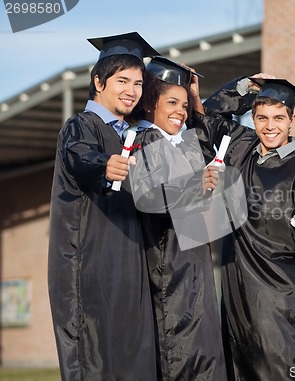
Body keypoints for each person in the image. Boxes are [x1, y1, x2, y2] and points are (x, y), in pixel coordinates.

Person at [191, 76, 295, 381]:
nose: (270, 126)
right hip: (237, 288)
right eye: (262, 118)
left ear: (293, 119)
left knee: (283, 370)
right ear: (252, 118)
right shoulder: (240, 148)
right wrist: (242, 88)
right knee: (240, 370)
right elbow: (208, 119)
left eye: (279, 118)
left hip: (278, 292)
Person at [47, 32, 158, 380]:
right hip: (91, 262)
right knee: (98, 358)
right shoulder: (81, 126)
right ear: (98, 81)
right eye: (122, 80)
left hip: (131, 262)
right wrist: (104, 165)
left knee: (135, 356)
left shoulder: (137, 135)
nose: (131, 90)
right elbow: (80, 156)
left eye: (138, 83)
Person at [127, 56, 227, 381]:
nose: (180, 112)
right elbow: (152, 199)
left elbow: (208, 149)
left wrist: (195, 98)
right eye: (172, 102)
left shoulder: (180, 144)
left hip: (193, 271)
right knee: (181, 363)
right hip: (169, 275)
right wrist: (196, 183)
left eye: (184, 106)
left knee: (204, 361)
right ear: (149, 103)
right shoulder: (145, 142)